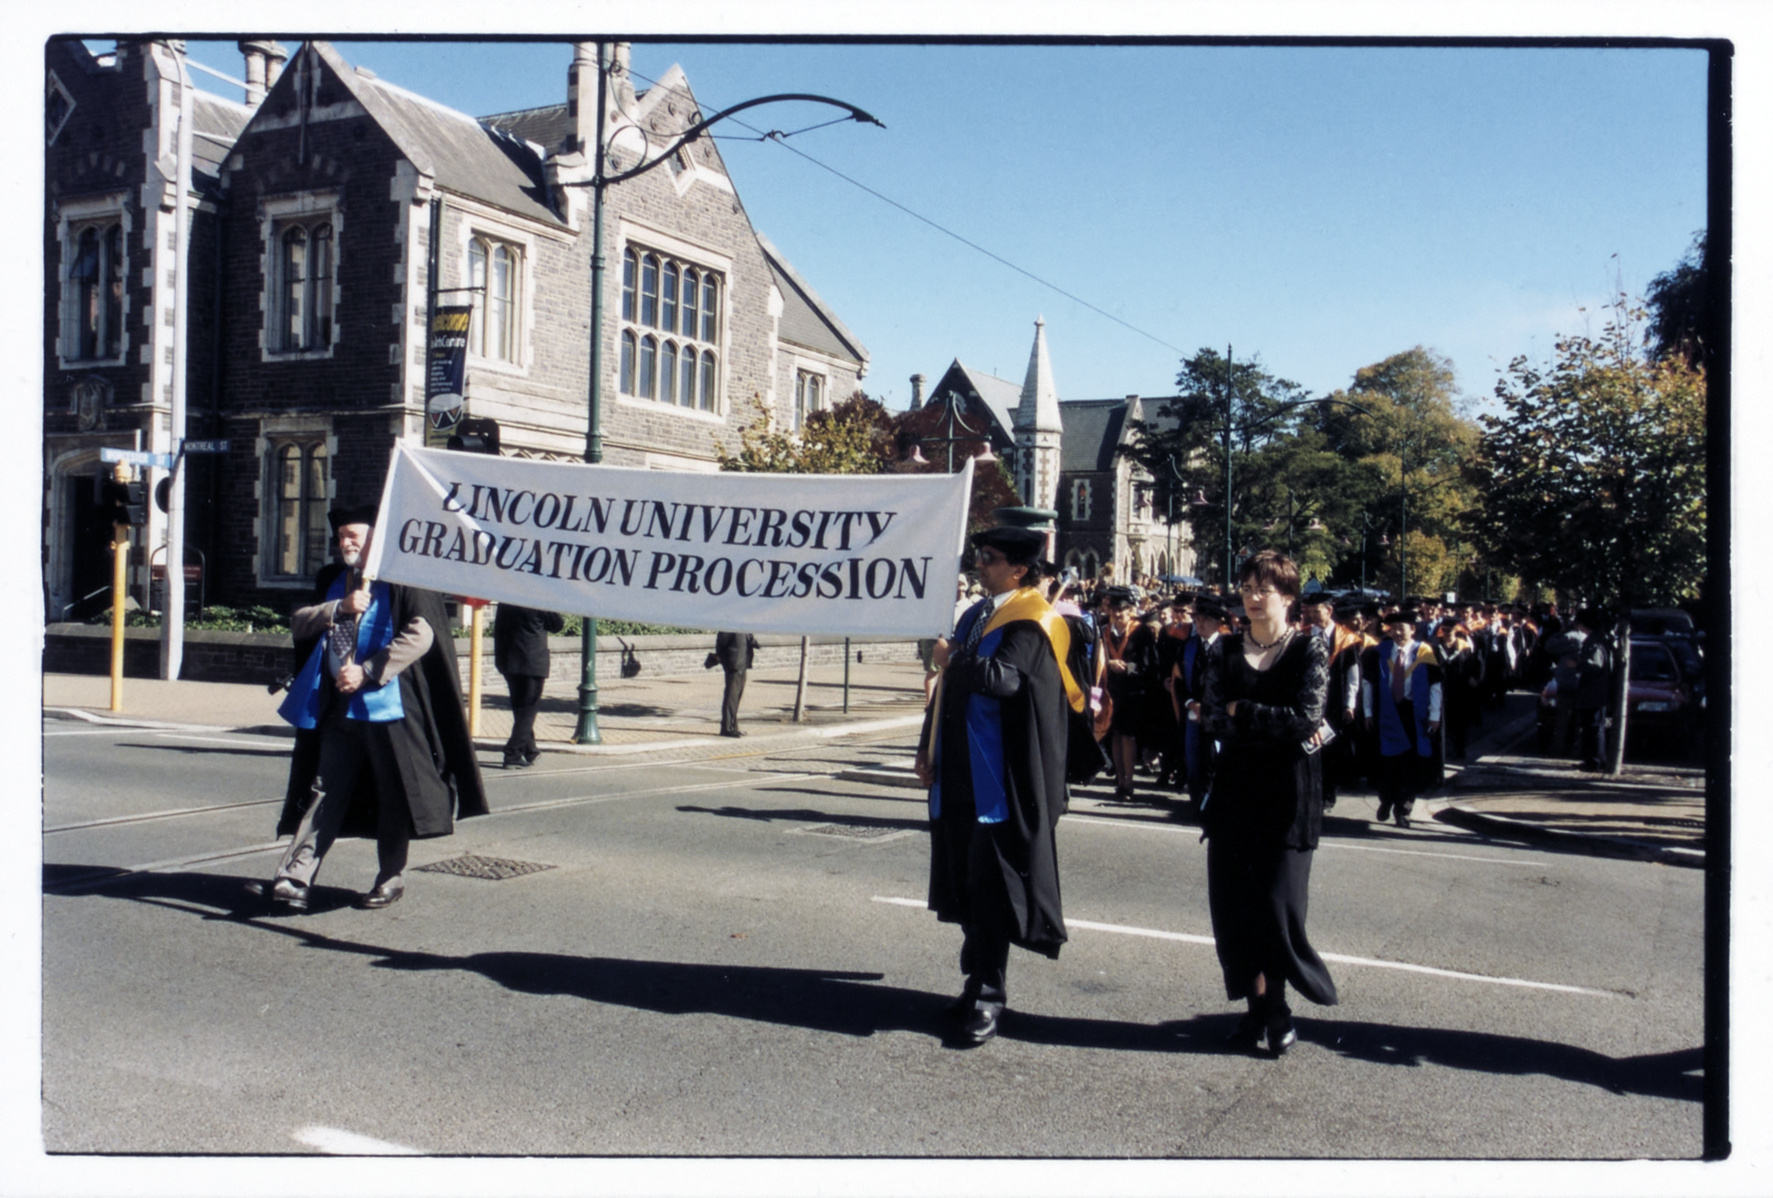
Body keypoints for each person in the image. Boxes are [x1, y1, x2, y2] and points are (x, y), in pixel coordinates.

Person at [259, 504, 487, 912]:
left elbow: (422, 634)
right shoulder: (334, 580)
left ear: (374, 539)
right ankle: (294, 877)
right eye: (341, 537)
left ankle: (390, 877)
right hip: (336, 708)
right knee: (324, 791)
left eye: (354, 537)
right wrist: (339, 608)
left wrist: (367, 672)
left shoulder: (404, 577)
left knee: (393, 795)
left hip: (389, 711)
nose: (345, 543)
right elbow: (300, 623)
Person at [914, 526, 1079, 1046]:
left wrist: (953, 659)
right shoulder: (976, 614)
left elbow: (1003, 680)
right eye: (979, 555)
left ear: (1020, 569)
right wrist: (927, 746)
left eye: (989, 558)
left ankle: (989, 994)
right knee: (964, 882)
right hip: (960, 768)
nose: (979, 563)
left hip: (1000, 781)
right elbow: (948, 692)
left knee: (990, 890)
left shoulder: (1032, 621)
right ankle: (974, 982)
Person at [1200, 550, 1338, 1056]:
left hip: (1288, 795)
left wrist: (1247, 711)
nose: (1253, 598)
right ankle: (1256, 1011)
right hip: (1235, 791)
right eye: (1247, 588)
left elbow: (1306, 718)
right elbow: (1213, 718)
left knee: (1278, 909)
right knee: (1235, 910)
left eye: (1264, 590)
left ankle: (1279, 1009)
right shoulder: (1223, 651)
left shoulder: (1309, 649)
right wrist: (1254, 718)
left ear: (1288, 597)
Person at [1362, 609, 1443, 829]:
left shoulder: (1425, 652)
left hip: (1412, 715)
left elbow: (1435, 686)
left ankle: (1403, 810)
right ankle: (1386, 799)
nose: (1397, 632)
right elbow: (1368, 684)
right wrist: (1368, 712)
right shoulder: (1380, 652)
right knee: (1387, 763)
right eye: (1393, 627)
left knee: (1410, 765)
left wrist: (1435, 716)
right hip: (1386, 713)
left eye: (1402, 628)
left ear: (1413, 629)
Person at [1100, 587, 1160, 801]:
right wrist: (1107, 664)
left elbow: (1151, 664)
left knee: (1128, 735)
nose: (1118, 615)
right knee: (1114, 734)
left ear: (1131, 611)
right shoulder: (1103, 630)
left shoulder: (1141, 631)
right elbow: (1096, 659)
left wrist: (1128, 668)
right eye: (1114, 611)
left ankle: (1129, 782)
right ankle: (1119, 777)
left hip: (1133, 691)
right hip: (1111, 689)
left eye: (1122, 611)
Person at [493, 603, 565, 768]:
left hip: (509, 660)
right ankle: (512, 754)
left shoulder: (506, 600)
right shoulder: (537, 599)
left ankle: (530, 751)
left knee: (520, 708)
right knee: (527, 711)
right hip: (532, 661)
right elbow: (557, 625)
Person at [1572, 607, 1613, 771]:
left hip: (1593, 691)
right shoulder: (1599, 639)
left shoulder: (1594, 641)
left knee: (1593, 727)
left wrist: (1577, 664)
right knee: (1592, 727)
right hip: (1595, 690)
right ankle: (1593, 759)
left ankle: (1594, 761)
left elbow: (1595, 664)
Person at [714, 630, 761, 737]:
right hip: (733, 665)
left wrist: (753, 642)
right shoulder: (728, 626)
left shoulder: (744, 627)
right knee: (731, 697)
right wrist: (726, 661)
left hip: (742, 664)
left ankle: (733, 726)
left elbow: (748, 640)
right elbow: (721, 644)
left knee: (737, 696)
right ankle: (727, 728)